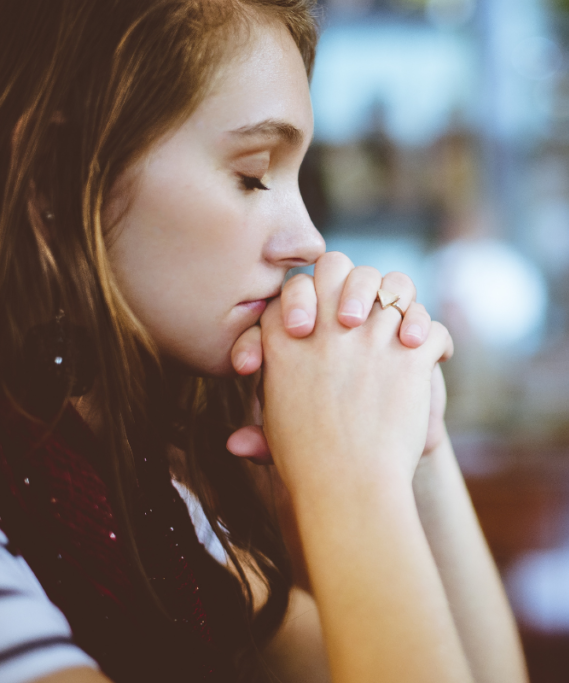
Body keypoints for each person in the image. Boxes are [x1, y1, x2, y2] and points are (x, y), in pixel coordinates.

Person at [0, 1, 528, 682]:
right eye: (252, 174)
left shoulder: (138, 493)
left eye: (298, 178)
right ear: (56, 171)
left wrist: (410, 436)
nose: (308, 239)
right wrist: (351, 476)